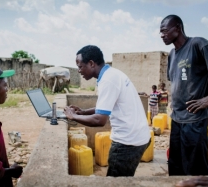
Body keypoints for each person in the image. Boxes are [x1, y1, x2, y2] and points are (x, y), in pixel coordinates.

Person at [64, 45, 150, 177]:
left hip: (127, 142)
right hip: (139, 137)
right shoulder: (112, 74)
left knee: (115, 183)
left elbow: (100, 120)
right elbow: (106, 108)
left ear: (91, 63)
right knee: (125, 179)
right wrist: (83, 112)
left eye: (80, 66)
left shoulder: (108, 80)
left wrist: (73, 116)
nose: (79, 71)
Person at [160, 14, 208, 176]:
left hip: (194, 120)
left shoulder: (198, 44)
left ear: (178, 28)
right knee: (176, 166)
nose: (162, 35)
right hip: (177, 120)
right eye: (160, 32)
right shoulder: (172, 55)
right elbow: (175, 83)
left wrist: (207, 100)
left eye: (165, 31)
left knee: (195, 169)